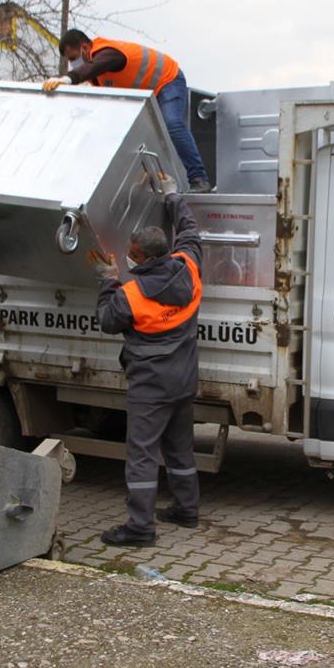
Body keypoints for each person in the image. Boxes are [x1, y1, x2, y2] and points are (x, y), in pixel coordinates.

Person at [94, 175, 203, 546]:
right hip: (184, 380)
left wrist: (108, 279)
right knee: (180, 448)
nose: (128, 257)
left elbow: (108, 321)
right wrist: (172, 194)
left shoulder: (130, 294)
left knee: (142, 455)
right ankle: (186, 510)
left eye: (132, 255)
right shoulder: (188, 267)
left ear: (143, 258)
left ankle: (140, 528)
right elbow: (189, 229)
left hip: (150, 386)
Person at [42, 29, 212, 194]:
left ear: (85, 48)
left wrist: (67, 79)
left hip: (167, 80)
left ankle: (198, 179)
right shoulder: (97, 78)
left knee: (172, 124)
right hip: (149, 93)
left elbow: (92, 68)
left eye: (73, 58)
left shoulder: (107, 52)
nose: (73, 64)